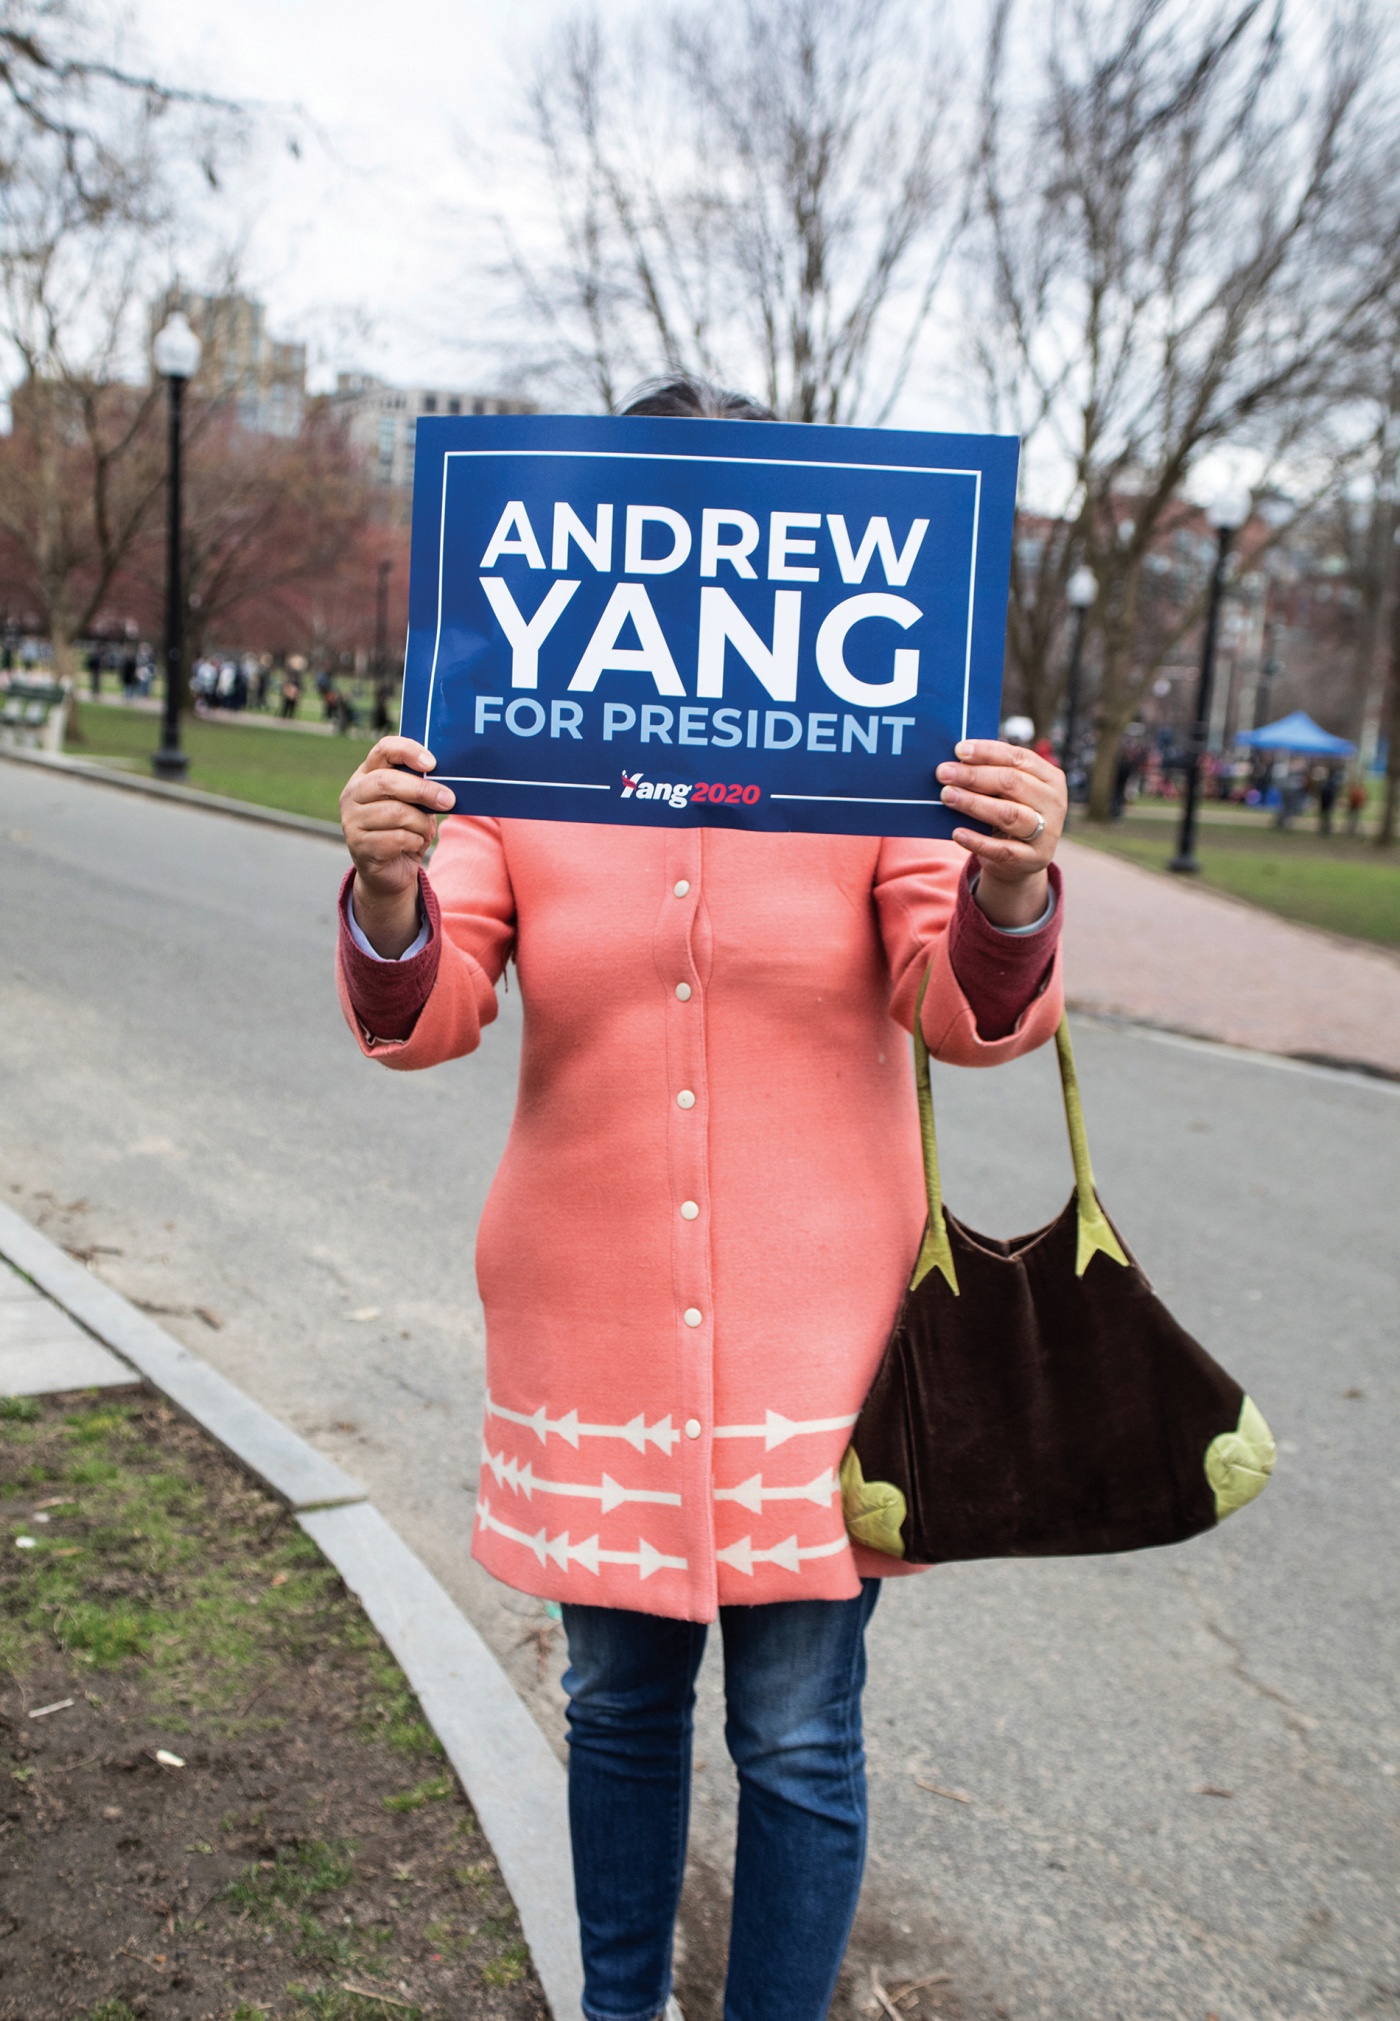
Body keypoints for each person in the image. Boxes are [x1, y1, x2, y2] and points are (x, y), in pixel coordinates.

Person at [335, 375, 1069, 2021]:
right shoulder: (511, 734)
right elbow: (427, 1009)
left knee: (801, 1729)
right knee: (617, 1705)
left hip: (826, 1341)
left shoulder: (877, 747)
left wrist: (1012, 879)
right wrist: (390, 886)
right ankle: (619, 2007)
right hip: (587, 1321)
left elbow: (966, 1010)